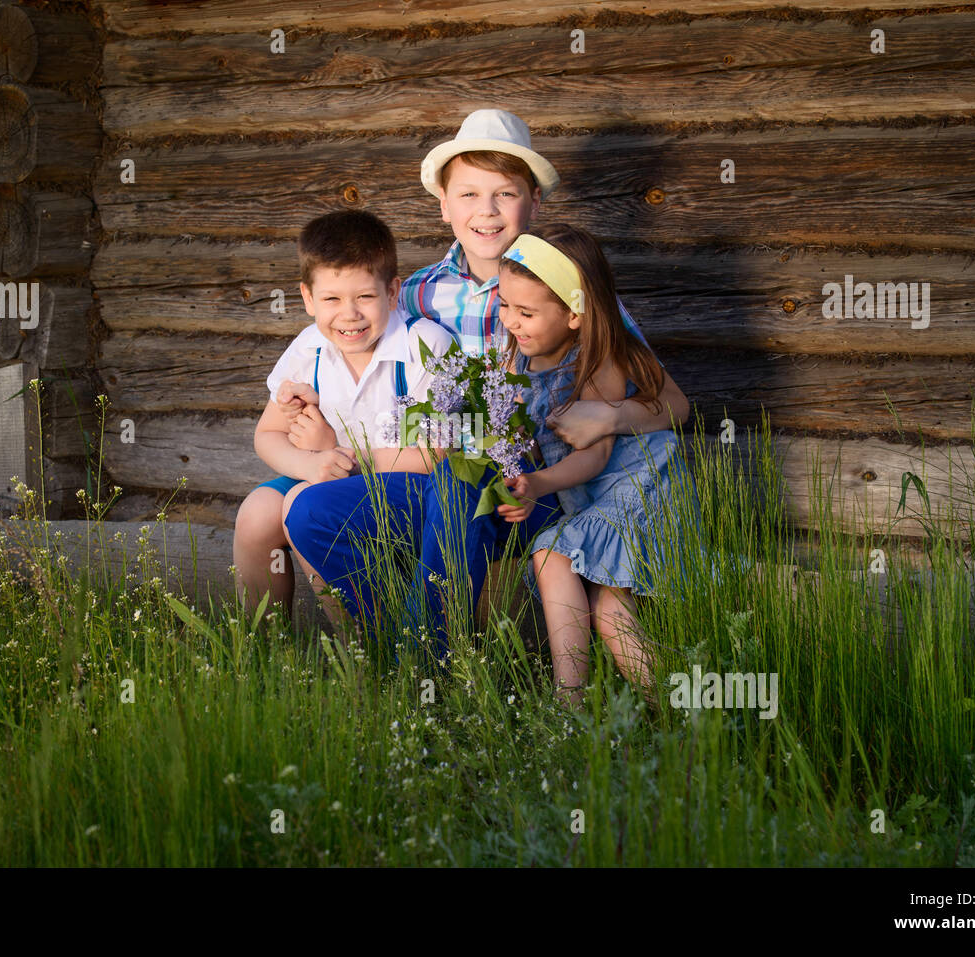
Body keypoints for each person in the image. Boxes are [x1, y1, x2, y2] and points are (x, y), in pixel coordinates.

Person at [283, 109, 691, 655]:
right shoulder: (414, 294)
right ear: (444, 204)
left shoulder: (571, 291)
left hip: (528, 487)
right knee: (309, 510)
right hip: (425, 472)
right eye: (470, 195)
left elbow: (674, 403)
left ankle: (430, 661)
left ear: (535, 203)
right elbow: (361, 367)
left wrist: (612, 417)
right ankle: (392, 647)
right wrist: (311, 418)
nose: (488, 211)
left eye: (505, 194)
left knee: (459, 485)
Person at [495, 224, 700, 707]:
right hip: (591, 498)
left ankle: (604, 708)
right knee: (582, 586)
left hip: (641, 489)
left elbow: (597, 454)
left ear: (574, 314)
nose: (511, 321)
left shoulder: (599, 358)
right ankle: (615, 707)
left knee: (580, 581)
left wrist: (538, 483)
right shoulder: (517, 364)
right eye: (504, 305)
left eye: (526, 312)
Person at [232, 209, 452, 626]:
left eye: (365, 297)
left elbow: (431, 452)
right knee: (258, 512)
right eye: (331, 299)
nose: (349, 314)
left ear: (392, 293)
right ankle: (263, 648)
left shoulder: (422, 345)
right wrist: (311, 463)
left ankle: (361, 646)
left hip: (407, 490)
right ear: (308, 297)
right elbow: (268, 434)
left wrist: (336, 454)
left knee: (304, 502)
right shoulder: (310, 348)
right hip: (328, 470)